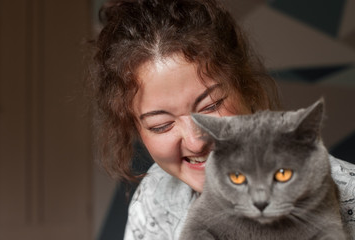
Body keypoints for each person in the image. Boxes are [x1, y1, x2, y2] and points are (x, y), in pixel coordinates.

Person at [89, 0, 355, 239]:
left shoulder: (347, 197)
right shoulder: (154, 195)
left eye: (211, 105)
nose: (195, 142)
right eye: (162, 125)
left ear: (246, 88)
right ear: (136, 129)